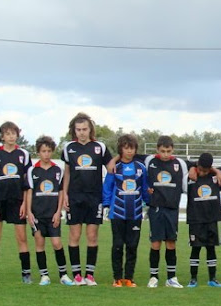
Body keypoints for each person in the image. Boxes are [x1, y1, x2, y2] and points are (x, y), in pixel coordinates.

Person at [61, 112, 113, 286]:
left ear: (90, 129)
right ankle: (77, 275)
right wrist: (64, 195)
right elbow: (66, 173)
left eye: (84, 129)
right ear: (74, 131)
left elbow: (112, 167)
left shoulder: (100, 147)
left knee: (92, 236)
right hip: (75, 197)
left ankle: (89, 275)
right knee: (74, 235)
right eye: (78, 129)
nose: (82, 132)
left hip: (94, 197)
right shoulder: (69, 148)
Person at [0, 121, 32, 283]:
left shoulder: (24, 154)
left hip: (17, 202)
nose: (11, 136)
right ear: (2, 137)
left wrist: (25, 204)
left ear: (17, 135)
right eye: (7, 134)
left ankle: (26, 274)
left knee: (22, 238)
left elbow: (28, 182)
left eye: (13, 133)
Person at [25, 136, 74, 286]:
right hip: (37, 214)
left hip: (52, 214)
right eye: (43, 151)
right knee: (39, 243)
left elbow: (60, 192)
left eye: (48, 151)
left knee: (57, 243)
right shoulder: (32, 170)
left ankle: (63, 275)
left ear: (52, 151)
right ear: (38, 152)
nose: (46, 154)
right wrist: (29, 213)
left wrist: (58, 212)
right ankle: (44, 275)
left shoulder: (57, 170)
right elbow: (29, 192)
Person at [103, 134, 150, 287]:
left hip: (135, 213)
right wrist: (106, 205)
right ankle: (117, 278)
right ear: (121, 149)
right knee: (117, 245)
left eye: (132, 148)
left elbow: (144, 189)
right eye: (126, 148)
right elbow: (107, 188)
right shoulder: (114, 167)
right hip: (117, 213)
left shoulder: (140, 168)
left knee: (132, 246)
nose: (129, 151)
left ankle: (129, 278)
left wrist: (149, 202)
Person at [144, 135, 189, 288]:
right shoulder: (149, 161)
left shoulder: (179, 163)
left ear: (172, 150)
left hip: (172, 209)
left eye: (168, 151)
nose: (165, 154)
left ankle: (171, 278)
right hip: (155, 208)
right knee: (155, 242)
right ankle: (154, 277)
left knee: (171, 242)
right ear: (157, 149)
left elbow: (196, 168)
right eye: (162, 151)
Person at [186, 153, 221, 287]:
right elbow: (181, 162)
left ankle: (212, 279)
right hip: (195, 219)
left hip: (212, 219)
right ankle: (193, 279)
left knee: (211, 249)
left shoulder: (215, 176)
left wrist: (217, 171)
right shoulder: (190, 176)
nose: (202, 173)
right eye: (200, 169)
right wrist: (192, 168)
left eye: (205, 171)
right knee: (195, 249)